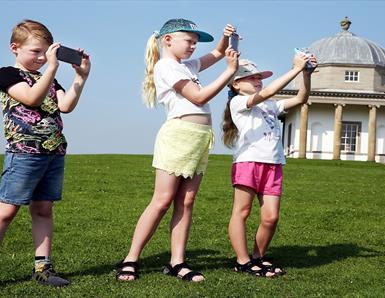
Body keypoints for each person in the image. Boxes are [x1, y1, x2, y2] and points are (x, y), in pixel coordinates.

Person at [116, 18, 238, 282]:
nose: (193, 47)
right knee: (161, 201)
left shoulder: (187, 66)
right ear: (168, 40)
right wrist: (230, 72)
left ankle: (177, 262)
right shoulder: (166, 67)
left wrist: (225, 39)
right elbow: (198, 97)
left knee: (186, 201)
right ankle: (131, 259)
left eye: (195, 43)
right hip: (179, 136)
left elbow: (216, 53)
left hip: (200, 138)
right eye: (189, 41)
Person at [0, 19, 91, 287]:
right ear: (14, 48)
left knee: (43, 209)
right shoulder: (7, 74)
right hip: (24, 153)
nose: (41, 58)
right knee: (6, 211)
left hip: (52, 152)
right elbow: (31, 99)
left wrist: (80, 78)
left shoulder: (49, 77)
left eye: (46, 52)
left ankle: (43, 268)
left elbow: (65, 106)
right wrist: (52, 67)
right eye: (35, 52)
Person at [222, 56, 316, 277]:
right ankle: (242, 261)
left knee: (271, 217)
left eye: (259, 77)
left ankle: (257, 257)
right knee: (242, 212)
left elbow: (302, 98)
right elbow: (268, 92)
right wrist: (295, 68)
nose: (257, 80)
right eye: (251, 77)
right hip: (248, 162)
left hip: (274, 164)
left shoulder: (271, 106)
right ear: (236, 84)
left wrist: (305, 74)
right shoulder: (237, 103)